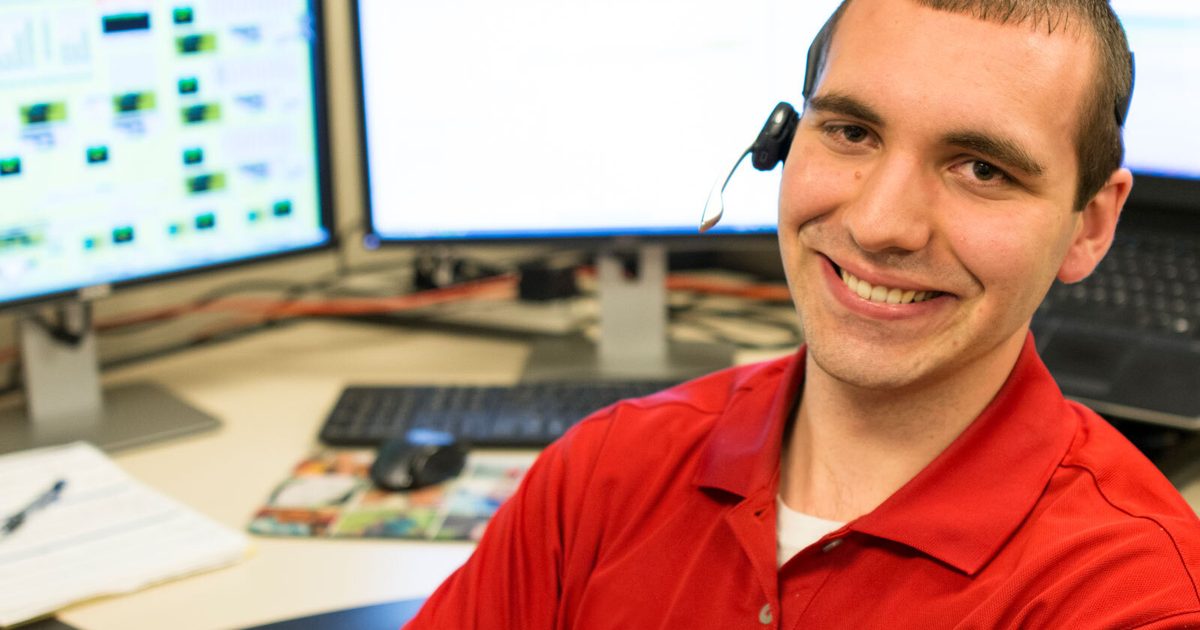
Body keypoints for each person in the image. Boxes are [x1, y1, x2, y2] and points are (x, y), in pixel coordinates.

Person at [407, 0, 1200, 627]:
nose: (880, 224)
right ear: (782, 141)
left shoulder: (1132, 596)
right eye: (852, 132)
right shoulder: (601, 478)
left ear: (1091, 224)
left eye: (981, 169)